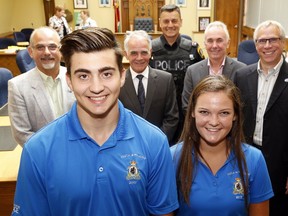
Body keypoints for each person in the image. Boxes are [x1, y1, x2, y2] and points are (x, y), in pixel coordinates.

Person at [12, 27, 179, 215]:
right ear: (69, 81)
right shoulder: (38, 149)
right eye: (83, 76)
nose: (96, 87)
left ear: (122, 76)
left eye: (106, 74)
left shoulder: (154, 142)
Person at [171, 75, 273, 215]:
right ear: (193, 112)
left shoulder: (254, 159)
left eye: (224, 113)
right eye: (204, 112)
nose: (214, 122)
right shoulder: (172, 158)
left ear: (235, 115)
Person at [234, 20, 288, 216]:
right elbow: (235, 117)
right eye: (262, 41)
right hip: (245, 153)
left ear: (283, 43)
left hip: (279, 160)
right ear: (255, 44)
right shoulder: (242, 76)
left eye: (273, 40)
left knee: (275, 207)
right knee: (243, 203)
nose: (267, 46)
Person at [8, 27, 75, 146]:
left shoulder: (76, 77)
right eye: (40, 47)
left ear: (61, 50)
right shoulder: (17, 86)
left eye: (52, 47)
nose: (47, 52)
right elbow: (21, 134)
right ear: (30, 52)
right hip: (44, 156)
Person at [150, 4, 204, 142]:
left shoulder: (192, 50)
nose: (170, 25)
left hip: (186, 112)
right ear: (159, 23)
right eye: (166, 21)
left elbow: (203, 79)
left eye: (174, 20)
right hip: (159, 114)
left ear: (181, 22)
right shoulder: (150, 51)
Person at [119, 30, 179, 145]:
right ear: (126, 54)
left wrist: (156, 142)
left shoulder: (165, 80)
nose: (139, 58)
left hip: (158, 145)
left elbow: (172, 118)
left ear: (150, 52)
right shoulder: (118, 82)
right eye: (134, 53)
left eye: (144, 52)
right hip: (127, 146)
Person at [182, 21, 246, 113]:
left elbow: (242, 106)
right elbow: (187, 106)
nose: (214, 45)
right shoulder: (192, 71)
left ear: (228, 43)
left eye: (219, 40)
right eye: (210, 41)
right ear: (205, 44)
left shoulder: (241, 70)